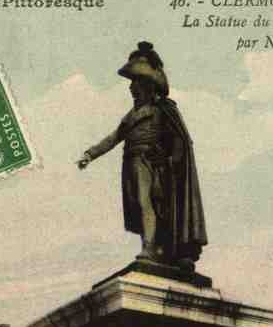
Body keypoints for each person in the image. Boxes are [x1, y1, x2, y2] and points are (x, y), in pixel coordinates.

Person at [77, 42, 207, 270]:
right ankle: (152, 247)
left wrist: (172, 161)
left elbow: (180, 140)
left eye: (135, 82)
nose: (131, 87)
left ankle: (149, 247)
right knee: (139, 204)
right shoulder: (131, 115)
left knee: (147, 203)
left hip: (151, 163)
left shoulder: (162, 109)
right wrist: (90, 153)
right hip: (131, 162)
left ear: (147, 85)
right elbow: (114, 137)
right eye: (131, 83)